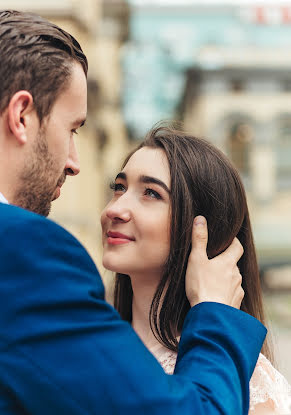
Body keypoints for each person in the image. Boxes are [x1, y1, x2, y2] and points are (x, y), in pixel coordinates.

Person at [0, 10, 266, 415]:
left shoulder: (258, 384)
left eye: (151, 194)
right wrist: (215, 315)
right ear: (22, 116)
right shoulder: (25, 249)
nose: (74, 162)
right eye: (72, 128)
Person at [101, 126, 291, 415]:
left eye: (151, 193)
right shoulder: (92, 348)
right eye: (119, 188)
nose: (115, 209)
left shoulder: (247, 384)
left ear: (202, 227)